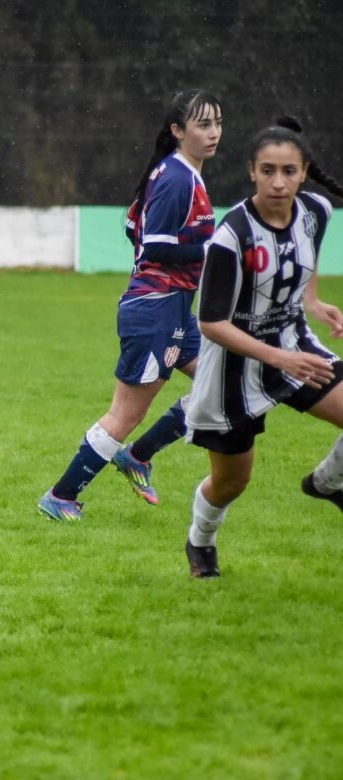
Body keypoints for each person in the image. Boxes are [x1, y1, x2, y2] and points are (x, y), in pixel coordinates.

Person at [38, 90, 223, 521]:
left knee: (221, 383)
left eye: (217, 123)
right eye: (203, 124)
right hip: (156, 308)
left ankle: (138, 456)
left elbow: (132, 225)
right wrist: (212, 251)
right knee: (125, 414)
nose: (214, 132)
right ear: (178, 131)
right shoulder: (176, 177)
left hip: (173, 307)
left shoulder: (180, 173)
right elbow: (155, 244)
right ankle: (61, 497)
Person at [182, 118, 343, 577]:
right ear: (252, 171)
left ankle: (327, 483)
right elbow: (210, 323)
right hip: (232, 370)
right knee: (232, 482)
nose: (278, 182)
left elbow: (305, 258)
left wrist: (313, 301)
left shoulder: (316, 212)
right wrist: (278, 357)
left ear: (304, 172)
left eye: (289, 171)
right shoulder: (231, 236)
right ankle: (201, 540)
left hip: (294, 347)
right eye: (267, 170)